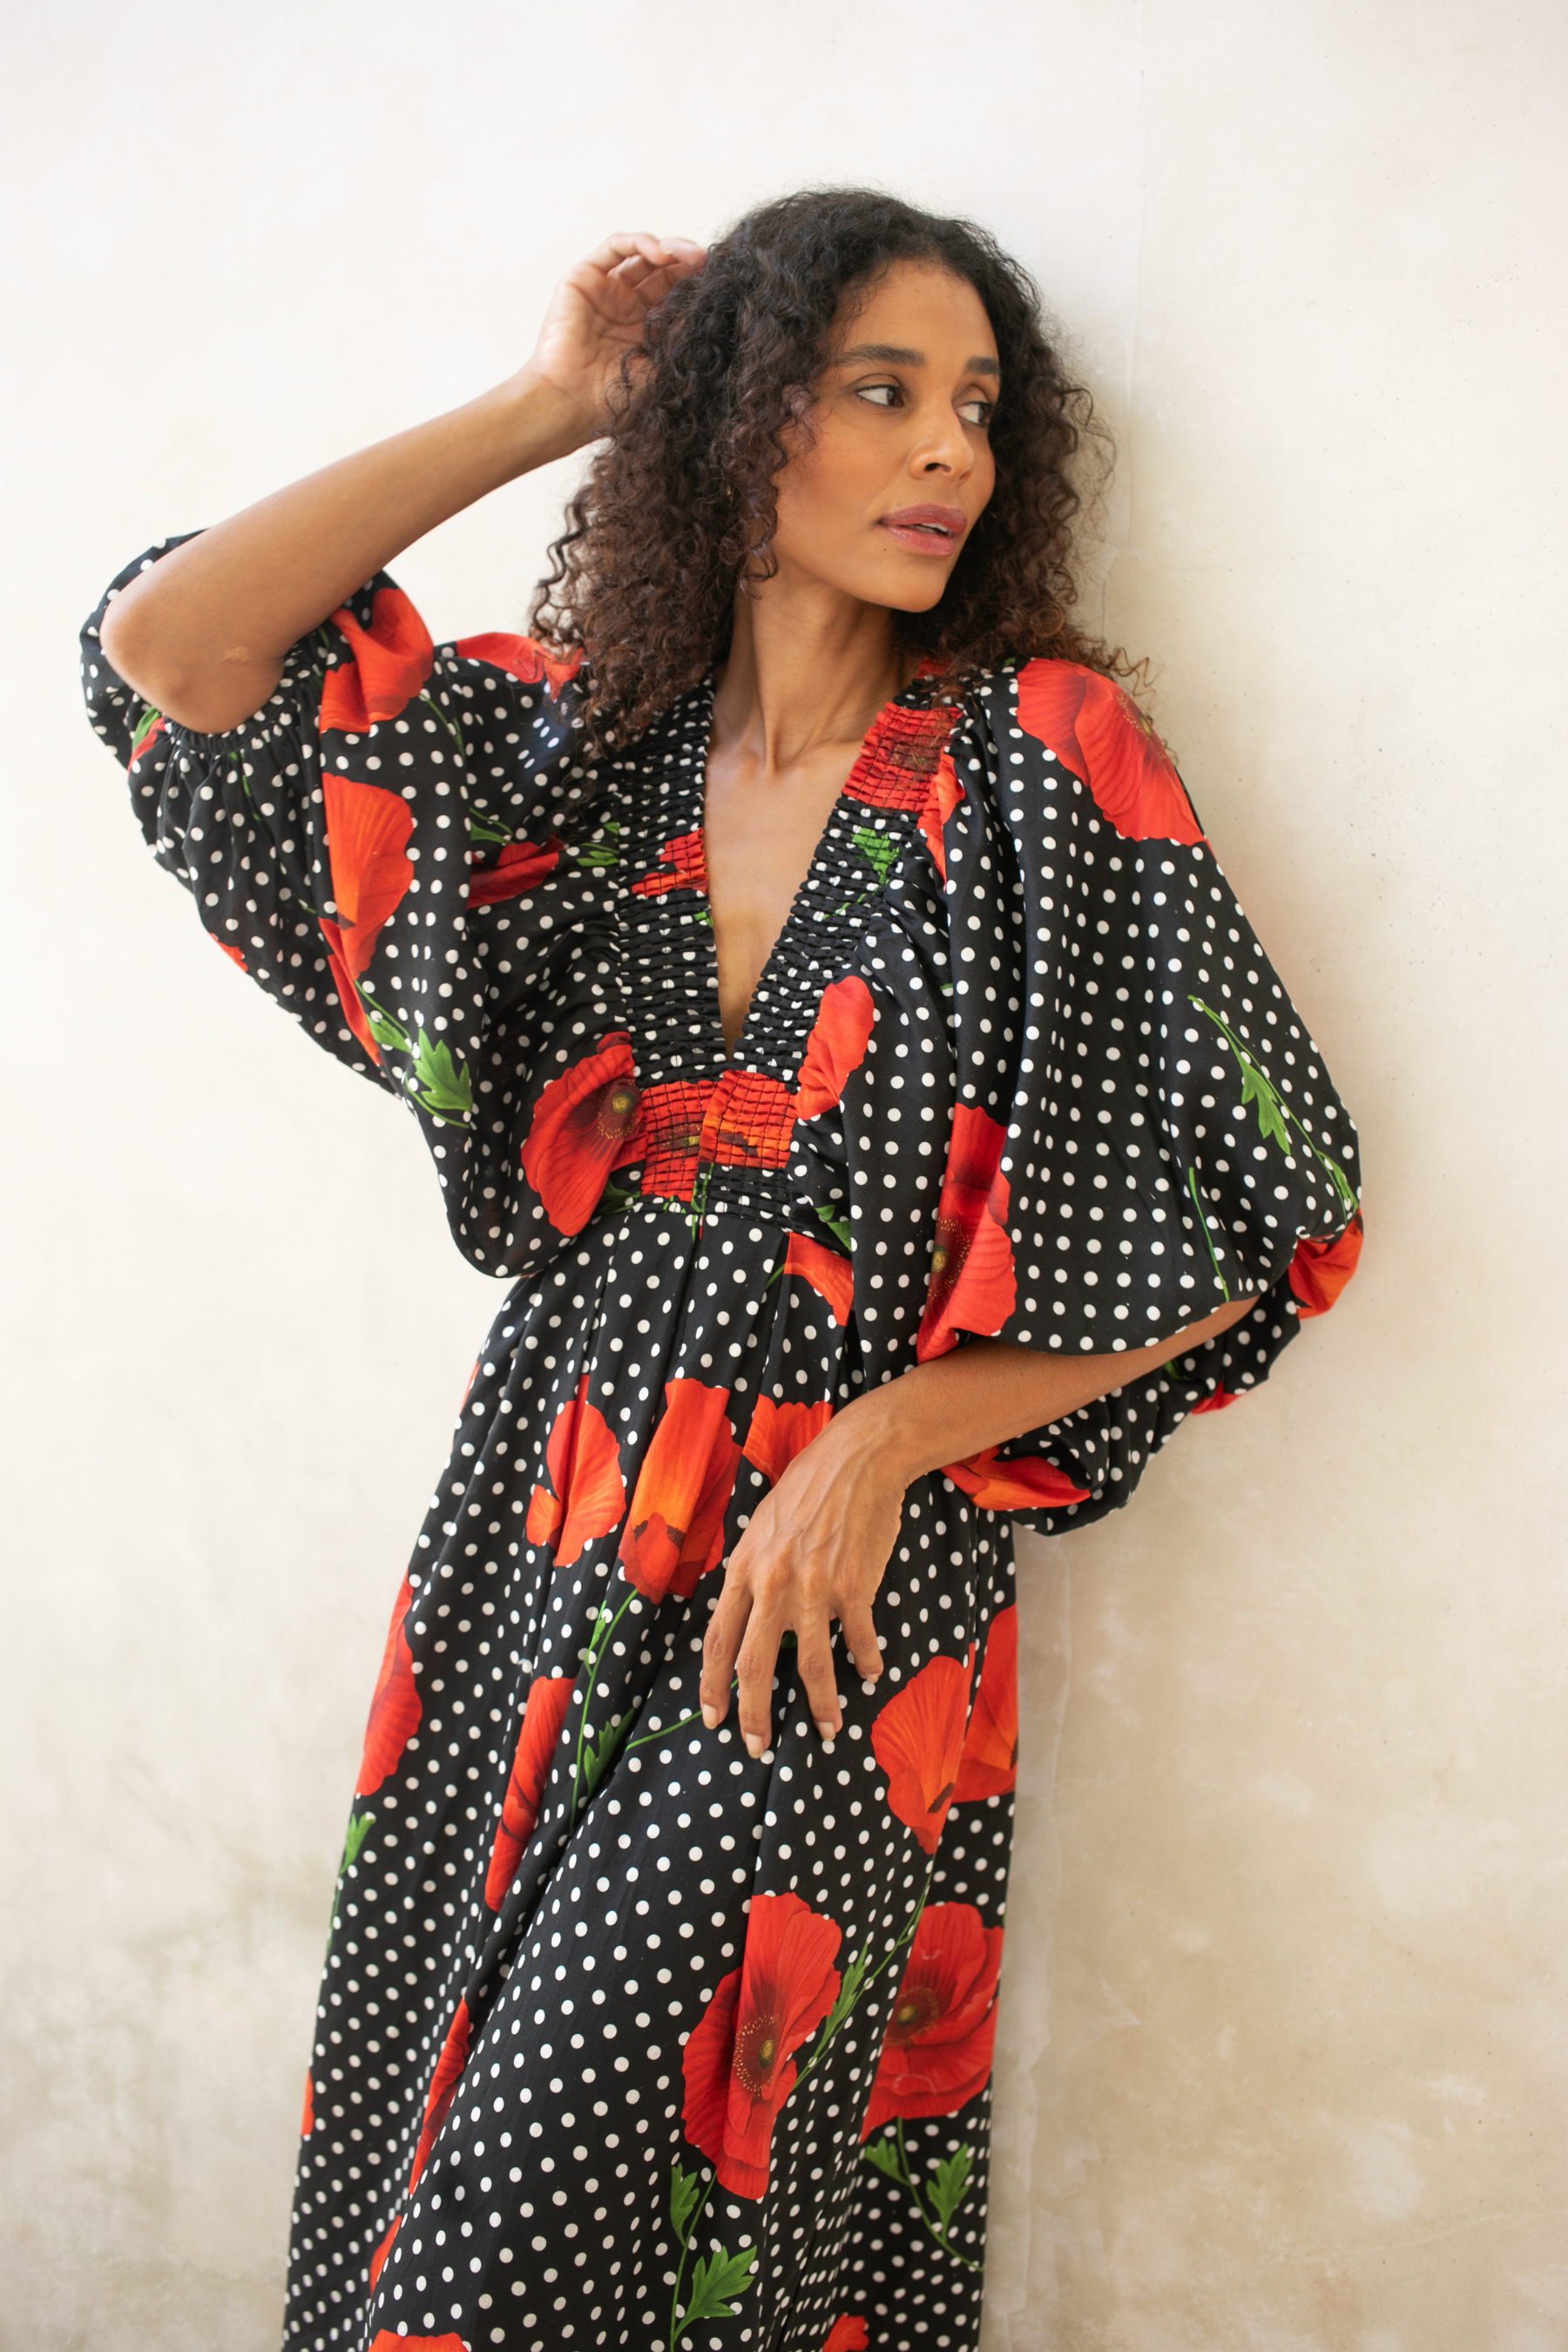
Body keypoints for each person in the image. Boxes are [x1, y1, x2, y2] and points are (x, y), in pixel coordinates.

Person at [81, 188, 1362, 2352]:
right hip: (548, 1526)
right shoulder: (579, 763)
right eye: (881, 391)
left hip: (836, 1603)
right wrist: (550, 402)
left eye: (978, 406)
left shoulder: (1038, 758)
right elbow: (177, 655)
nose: (948, 450)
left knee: (550, 2232)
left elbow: (1264, 1206)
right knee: (465, 2172)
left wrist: (886, 1439)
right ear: (743, 420)